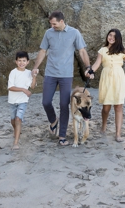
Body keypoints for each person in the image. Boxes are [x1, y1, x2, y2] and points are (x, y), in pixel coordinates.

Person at [29, 11, 90, 146]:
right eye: (51, 24)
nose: (52, 26)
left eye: (54, 23)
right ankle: (53, 120)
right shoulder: (48, 33)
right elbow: (43, 51)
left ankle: (62, 135)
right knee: (45, 102)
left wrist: (88, 66)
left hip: (66, 75)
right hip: (50, 73)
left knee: (64, 105)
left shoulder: (74, 33)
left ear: (62, 21)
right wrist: (35, 67)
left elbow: (82, 51)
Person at [86, 29, 125, 142]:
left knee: (118, 106)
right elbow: (97, 64)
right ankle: (103, 126)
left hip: (119, 80)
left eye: (114, 36)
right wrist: (91, 71)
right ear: (107, 36)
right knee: (106, 108)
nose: (111, 38)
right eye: (110, 35)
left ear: (118, 39)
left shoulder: (122, 51)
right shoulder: (102, 50)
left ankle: (118, 133)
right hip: (106, 79)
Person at [7, 51, 34, 149]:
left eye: (24, 61)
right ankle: (17, 131)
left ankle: (16, 142)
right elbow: (10, 87)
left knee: (18, 119)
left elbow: (32, 86)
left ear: (28, 62)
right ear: (16, 61)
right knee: (13, 120)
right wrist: (23, 89)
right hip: (12, 101)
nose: (21, 63)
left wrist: (34, 76)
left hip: (23, 101)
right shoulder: (13, 72)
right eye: (19, 61)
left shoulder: (29, 73)